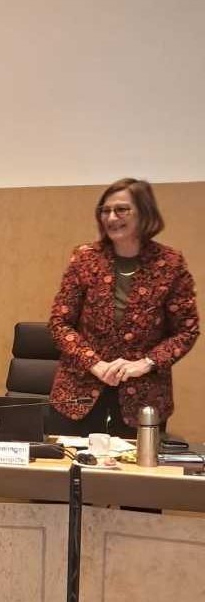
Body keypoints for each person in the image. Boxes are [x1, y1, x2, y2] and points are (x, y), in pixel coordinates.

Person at [49, 178, 199, 436]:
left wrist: (146, 363)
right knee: (68, 461)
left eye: (121, 210)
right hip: (78, 394)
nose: (111, 217)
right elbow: (59, 323)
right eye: (105, 210)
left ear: (144, 213)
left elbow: (187, 330)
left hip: (143, 398)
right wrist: (94, 363)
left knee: (134, 463)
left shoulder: (170, 264)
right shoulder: (85, 258)